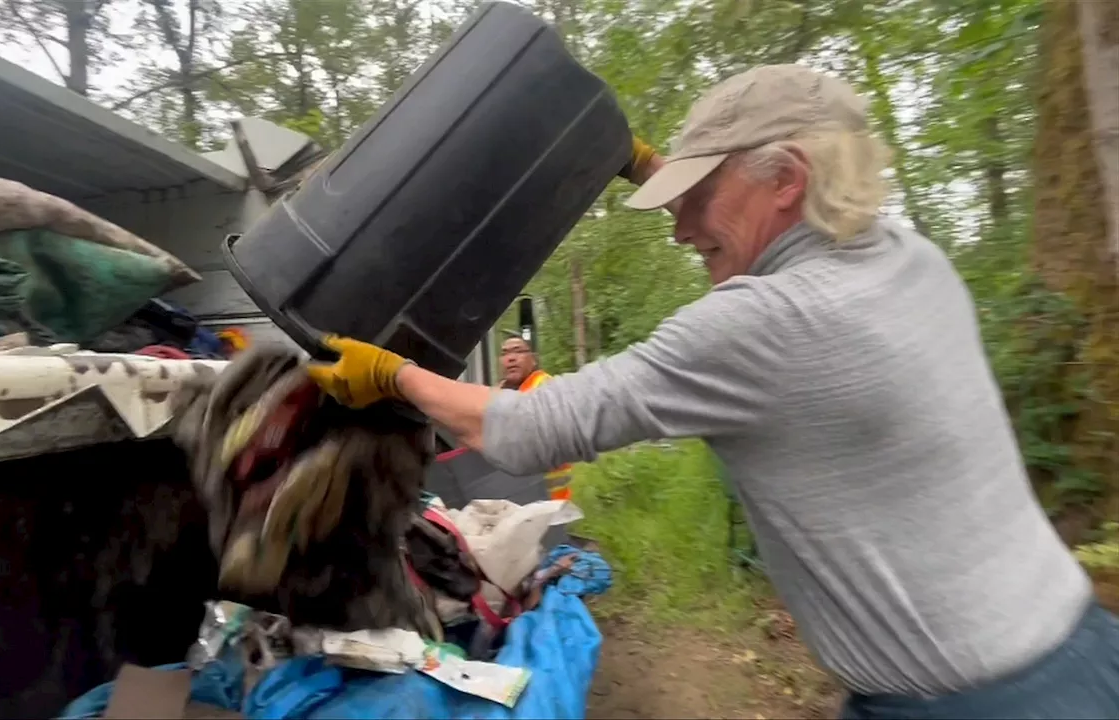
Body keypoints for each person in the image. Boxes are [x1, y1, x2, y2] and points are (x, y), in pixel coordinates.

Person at [306, 64, 1119, 718]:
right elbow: (771, 217)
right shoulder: (909, 261)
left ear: (786, 180)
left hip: (968, 704)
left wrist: (392, 372)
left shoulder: (765, 323)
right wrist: (665, 171)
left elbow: (536, 427)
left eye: (697, 200)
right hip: (1084, 651)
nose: (680, 227)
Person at [497, 334, 573, 501]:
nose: (511, 358)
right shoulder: (498, 392)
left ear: (533, 359)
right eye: (505, 353)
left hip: (551, 498)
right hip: (519, 495)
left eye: (518, 351)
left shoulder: (545, 386)